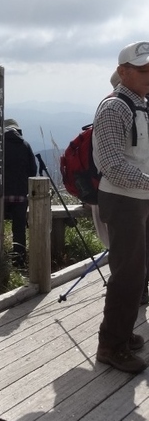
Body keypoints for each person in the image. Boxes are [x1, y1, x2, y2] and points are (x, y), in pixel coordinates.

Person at [92, 41, 149, 374]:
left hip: (139, 199)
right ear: (123, 72)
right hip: (123, 199)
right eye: (142, 70)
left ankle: (123, 334)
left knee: (138, 271)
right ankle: (111, 346)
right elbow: (112, 163)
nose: (148, 75)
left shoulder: (140, 104)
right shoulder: (114, 108)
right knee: (128, 275)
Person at [3, 119, 38, 267]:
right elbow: (33, 170)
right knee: (19, 229)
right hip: (20, 195)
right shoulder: (25, 145)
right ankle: (19, 260)